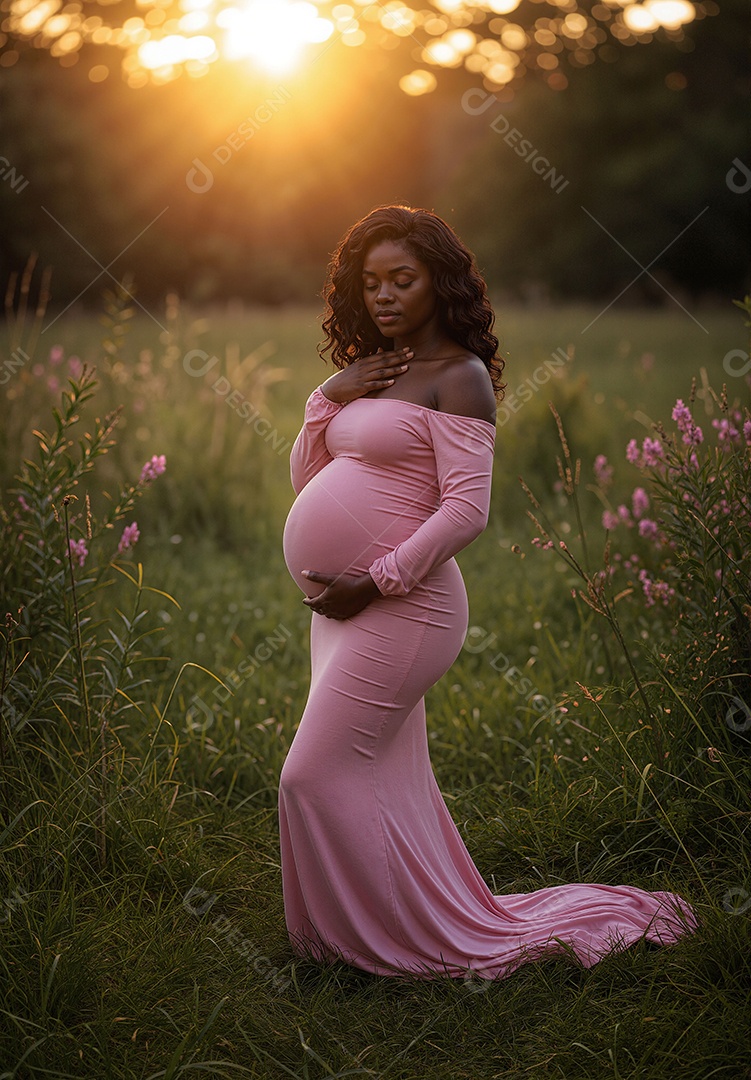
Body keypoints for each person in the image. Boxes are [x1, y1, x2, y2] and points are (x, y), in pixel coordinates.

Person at [278, 205, 696, 982]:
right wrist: (327, 395)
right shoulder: (374, 370)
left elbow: (465, 511)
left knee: (310, 774)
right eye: (371, 282)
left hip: (406, 607)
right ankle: (352, 943)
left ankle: (394, 946)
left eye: (402, 279)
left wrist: (374, 579)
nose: (384, 296)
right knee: (373, 773)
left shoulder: (458, 376)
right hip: (342, 610)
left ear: (439, 281)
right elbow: (310, 478)